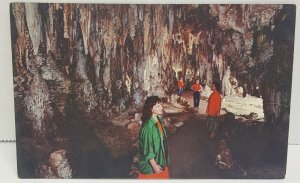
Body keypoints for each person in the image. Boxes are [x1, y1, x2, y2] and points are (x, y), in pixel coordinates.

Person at [138, 96, 169, 179]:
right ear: (151, 109)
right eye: (158, 106)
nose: (161, 107)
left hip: (160, 160)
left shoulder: (158, 120)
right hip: (151, 167)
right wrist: (154, 165)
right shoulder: (147, 126)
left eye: (160, 104)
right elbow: (147, 148)